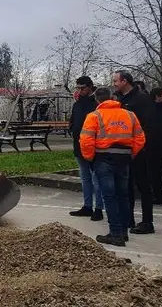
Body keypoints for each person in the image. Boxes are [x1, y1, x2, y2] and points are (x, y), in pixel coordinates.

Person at [80, 87, 146, 246]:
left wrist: (90, 158)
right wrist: (131, 154)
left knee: (109, 196)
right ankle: (123, 232)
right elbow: (140, 138)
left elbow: (86, 141)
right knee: (122, 195)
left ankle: (115, 233)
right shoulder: (129, 115)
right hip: (124, 158)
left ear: (97, 100)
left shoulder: (94, 116)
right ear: (113, 98)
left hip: (103, 158)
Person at [113, 70, 156, 234]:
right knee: (126, 186)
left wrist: (140, 148)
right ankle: (127, 218)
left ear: (124, 81)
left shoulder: (142, 99)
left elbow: (148, 127)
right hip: (125, 151)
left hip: (140, 150)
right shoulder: (121, 100)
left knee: (144, 186)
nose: (114, 84)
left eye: (116, 81)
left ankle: (147, 222)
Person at [68, 76, 103, 220]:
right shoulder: (77, 105)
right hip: (78, 145)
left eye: (83, 88)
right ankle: (87, 205)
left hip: (93, 147)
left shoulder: (95, 105)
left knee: (96, 178)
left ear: (90, 88)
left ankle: (98, 208)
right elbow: (73, 121)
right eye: (78, 88)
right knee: (85, 178)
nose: (80, 91)